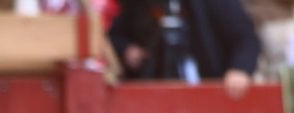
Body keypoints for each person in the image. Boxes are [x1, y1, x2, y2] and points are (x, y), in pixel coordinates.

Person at [109, 0, 262, 97]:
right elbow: (115, 35)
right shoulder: (138, 3)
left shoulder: (215, 3)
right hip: (152, 88)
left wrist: (239, 69)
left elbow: (245, 38)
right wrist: (127, 49)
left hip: (206, 89)